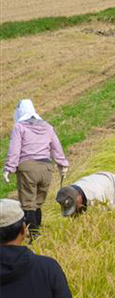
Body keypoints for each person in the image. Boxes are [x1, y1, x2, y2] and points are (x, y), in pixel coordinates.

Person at [3, 99, 69, 237]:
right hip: (46, 169)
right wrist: (62, 164)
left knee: (28, 204)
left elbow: (15, 149)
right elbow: (56, 147)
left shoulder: (20, 127)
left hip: (28, 169)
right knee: (38, 203)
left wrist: (9, 168)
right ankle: (38, 231)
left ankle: (33, 235)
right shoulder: (46, 126)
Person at [55, 170, 115, 243]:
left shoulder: (97, 196)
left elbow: (106, 222)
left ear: (78, 198)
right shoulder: (70, 191)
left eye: (74, 208)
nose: (74, 213)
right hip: (108, 185)